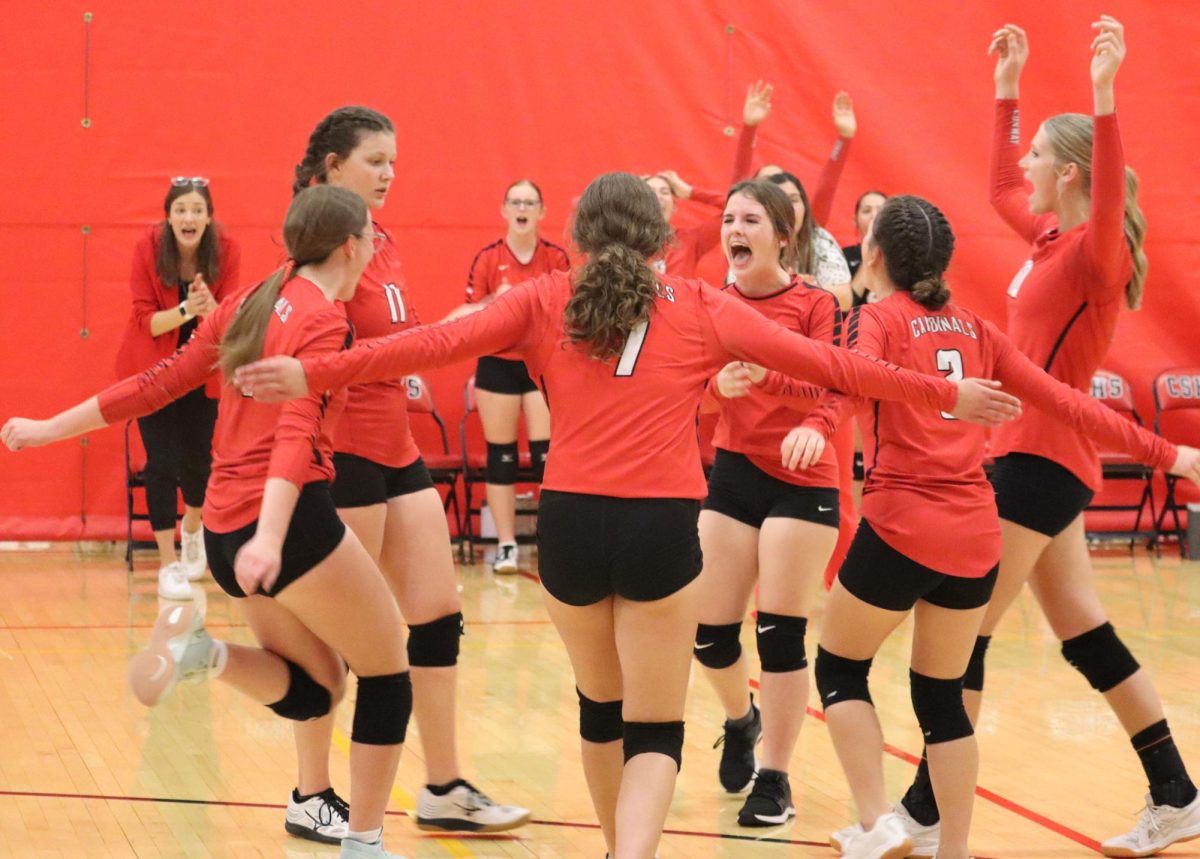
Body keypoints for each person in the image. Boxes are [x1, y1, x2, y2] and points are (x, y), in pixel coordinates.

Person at [233, 173, 1022, 859]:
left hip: (570, 526)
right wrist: (946, 392)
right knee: (655, 729)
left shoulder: (544, 295)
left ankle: (618, 844)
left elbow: (427, 346)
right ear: (658, 236)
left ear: (578, 235)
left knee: (598, 709)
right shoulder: (704, 303)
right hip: (660, 528)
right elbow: (837, 366)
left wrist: (313, 369)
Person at [4, 185, 413, 859]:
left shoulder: (255, 296)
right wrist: (277, 538)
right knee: (389, 667)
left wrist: (50, 427)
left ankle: (205, 652)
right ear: (350, 246)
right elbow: (295, 433)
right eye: (371, 233)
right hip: (287, 523)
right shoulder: (322, 321)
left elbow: (156, 383)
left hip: (223, 529)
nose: (376, 243)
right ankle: (364, 844)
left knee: (318, 687)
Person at [789, 195, 1200, 859]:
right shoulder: (978, 328)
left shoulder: (879, 319)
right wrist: (1170, 453)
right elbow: (1070, 402)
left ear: (876, 255)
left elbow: (851, 379)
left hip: (904, 521)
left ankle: (879, 823)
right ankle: (951, 847)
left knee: (839, 663)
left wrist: (816, 425)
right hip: (976, 532)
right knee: (943, 697)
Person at [892, 19, 1200, 858]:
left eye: (1039, 158)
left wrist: (1104, 96)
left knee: (964, 631)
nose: (1023, 167)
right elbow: (997, 181)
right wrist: (1008, 84)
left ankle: (924, 808)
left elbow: (1103, 197)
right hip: (1038, 460)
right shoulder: (1049, 240)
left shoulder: (1093, 256)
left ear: (1067, 172)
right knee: (1085, 634)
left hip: (1039, 461)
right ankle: (1176, 792)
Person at [285, 106, 530, 841]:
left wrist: (449, 333)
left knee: (437, 610)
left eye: (394, 159)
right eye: (374, 160)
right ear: (332, 166)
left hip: (397, 447)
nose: (390, 171)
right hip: (346, 449)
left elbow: (396, 336)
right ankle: (311, 793)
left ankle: (445, 785)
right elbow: (318, 351)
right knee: (341, 634)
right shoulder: (318, 241)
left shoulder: (380, 239)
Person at [693, 180, 842, 827]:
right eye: (728, 218)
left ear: (782, 236)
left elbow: (833, 381)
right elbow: (679, 393)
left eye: (750, 218)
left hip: (803, 478)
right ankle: (740, 718)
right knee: (709, 635)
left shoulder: (816, 303)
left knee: (780, 633)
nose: (735, 227)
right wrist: (710, 385)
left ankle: (775, 777)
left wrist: (806, 416)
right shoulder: (707, 303)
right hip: (732, 473)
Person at [114, 177, 240, 599]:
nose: (189, 217)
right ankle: (168, 563)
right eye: (181, 210)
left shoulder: (226, 251)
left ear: (208, 217)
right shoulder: (148, 249)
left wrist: (211, 310)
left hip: (201, 372)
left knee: (199, 464)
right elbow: (145, 322)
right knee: (161, 463)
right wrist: (188, 307)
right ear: (168, 216)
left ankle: (193, 528)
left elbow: (229, 321)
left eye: (197, 210)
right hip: (153, 371)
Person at [454, 179, 569, 573]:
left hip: (540, 364)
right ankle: (505, 544)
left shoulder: (555, 257)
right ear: (504, 209)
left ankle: (550, 541)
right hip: (497, 364)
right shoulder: (488, 258)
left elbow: (568, 311)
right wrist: (494, 301)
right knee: (500, 457)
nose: (522, 208)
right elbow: (471, 314)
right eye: (516, 202)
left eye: (530, 202)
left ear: (542, 211)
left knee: (546, 456)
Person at [644, 80, 767, 277]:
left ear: (675, 206)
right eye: (649, 193)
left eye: (665, 192)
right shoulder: (622, 241)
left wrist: (692, 192)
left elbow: (736, 203)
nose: (658, 197)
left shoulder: (690, 241)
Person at [841, 190, 888, 288]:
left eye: (881, 210)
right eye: (867, 211)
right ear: (855, 220)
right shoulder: (843, 256)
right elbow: (849, 299)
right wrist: (869, 248)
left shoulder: (901, 252)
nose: (874, 216)